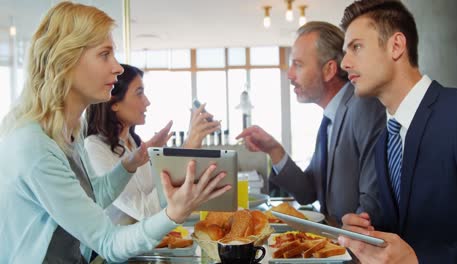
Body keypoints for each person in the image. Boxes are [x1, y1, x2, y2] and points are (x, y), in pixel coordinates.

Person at [0, 2, 231, 263]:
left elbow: (93, 197)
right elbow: (108, 242)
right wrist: (174, 213)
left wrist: (130, 164)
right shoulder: (34, 146)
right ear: (66, 60)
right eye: (104, 54)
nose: (118, 67)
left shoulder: (69, 131)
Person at [338, 0, 457, 262]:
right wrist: (366, 233)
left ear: (396, 46)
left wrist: (418, 259)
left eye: (356, 47)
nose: (344, 63)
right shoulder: (384, 140)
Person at [236, 21, 385, 225]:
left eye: (298, 64)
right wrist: (274, 150)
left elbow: (372, 206)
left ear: (329, 70)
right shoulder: (329, 119)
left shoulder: (363, 107)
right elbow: (307, 193)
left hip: (355, 249)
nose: (289, 75)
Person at [85, 64, 221, 225]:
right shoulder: (94, 148)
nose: (147, 102)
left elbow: (157, 195)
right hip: (118, 247)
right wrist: (187, 149)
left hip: (147, 243)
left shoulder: (134, 143)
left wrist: (187, 150)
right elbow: (144, 211)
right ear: (114, 103)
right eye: (139, 93)